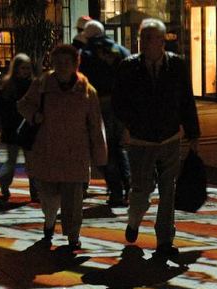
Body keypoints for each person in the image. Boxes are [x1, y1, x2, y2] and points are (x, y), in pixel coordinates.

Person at [112, 18, 200, 260]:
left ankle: (165, 239)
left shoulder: (177, 66)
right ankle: (134, 219)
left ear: (161, 42)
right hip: (140, 140)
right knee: (141, 189)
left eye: (147, 39)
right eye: (141, 38)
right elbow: (118, 103)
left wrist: (193, 133)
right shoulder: (128, 66)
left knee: (168, 190)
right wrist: (129, 126)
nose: (141, 44)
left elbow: (186, 101)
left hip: (170, 136)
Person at [17, 44, 106, 250]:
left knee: (74, 202)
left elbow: (95, 123)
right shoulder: (42, 84)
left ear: (76, 64)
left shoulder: (87, 91)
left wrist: (100, 155)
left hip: (76, 154)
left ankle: (73, 237)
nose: (63, 67)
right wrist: (34, 115)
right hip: (46, 150)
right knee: (48, 198)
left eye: (67, 62)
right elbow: (22, 104)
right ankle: (49, 221)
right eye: (58, 62)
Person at [79, 25, 131, 209]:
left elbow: (80, 79)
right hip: (121, 102)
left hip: (100, 103)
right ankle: (129, 187)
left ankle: (116, 191)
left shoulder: (87, 53)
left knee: (104, 148)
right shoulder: (119, 49)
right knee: (119, 146)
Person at [0, 53, 38, 202]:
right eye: (23, 68)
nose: (26, 71)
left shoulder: (30, 85)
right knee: (13, 160)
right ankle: (5, 184)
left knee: (31, 161)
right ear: (16, 69)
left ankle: (34, 191)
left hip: (27, 128)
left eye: (28, 68)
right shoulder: (10, 87)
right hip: (14, 128)